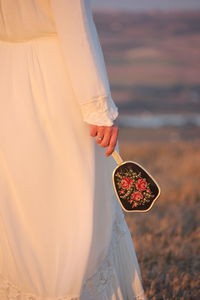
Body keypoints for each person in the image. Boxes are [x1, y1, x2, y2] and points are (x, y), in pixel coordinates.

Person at [0, 0, 146, 299]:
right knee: (73, 203)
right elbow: (76, 28)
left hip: (6, 78)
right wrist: (97, 108)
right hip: (57, 80)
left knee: (19, 205)